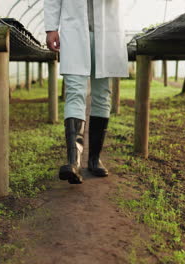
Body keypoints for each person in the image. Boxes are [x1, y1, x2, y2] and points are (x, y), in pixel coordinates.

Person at [44, 0, 129, 184]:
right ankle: (73, 162)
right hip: (73, 30)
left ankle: (94, 159)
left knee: (102, 95)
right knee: (74, 92)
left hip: (107, 32)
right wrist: (51, 28)